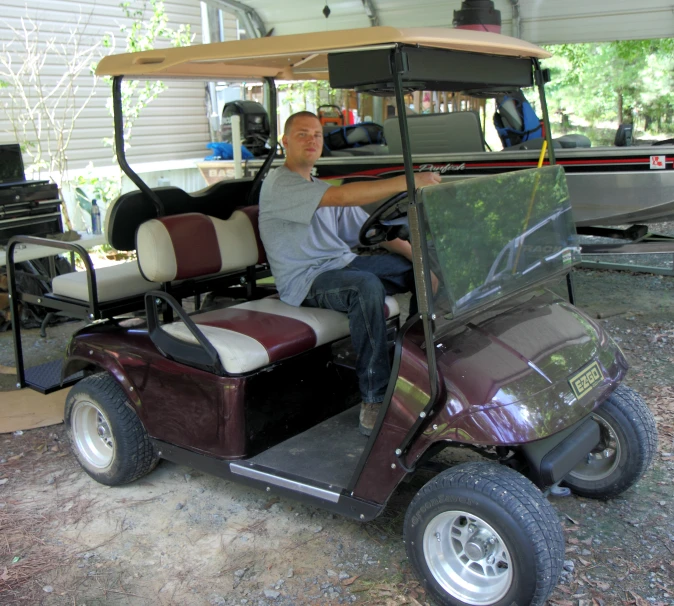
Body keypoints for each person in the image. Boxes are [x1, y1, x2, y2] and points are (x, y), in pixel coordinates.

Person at [259, 111, 440, 436]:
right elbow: (342, 196)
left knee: (416, 274)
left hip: (341, 264)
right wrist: (410, 180)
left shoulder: (319, 186)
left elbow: (370, 230)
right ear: (285, 142)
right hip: (304, 280)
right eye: (302, 134)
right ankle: (373, 398)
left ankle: (417, 367)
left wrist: (421, 262)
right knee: (364, 286)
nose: (312, 140)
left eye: (317, 134)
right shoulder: (279, 185)